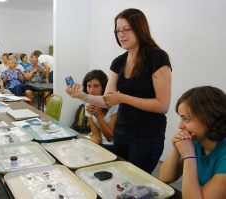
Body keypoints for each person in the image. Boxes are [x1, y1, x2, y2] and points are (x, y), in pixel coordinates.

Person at [66, 8, 171, 173]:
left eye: (126, 29)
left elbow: (162, 105)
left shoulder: (157, 58)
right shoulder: (118, 62)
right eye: (118, 31)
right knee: (120, 179)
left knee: (138, 182)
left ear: (140, 28)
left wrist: (123, 98)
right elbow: (107, 100)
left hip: (146, 136)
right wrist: (82, 96)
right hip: (122, 133)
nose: (121, 35)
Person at [159, 86, 226, 199]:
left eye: (186, 119)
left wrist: (189, 156)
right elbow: (165, 178)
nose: (180, 126)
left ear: (209, 118)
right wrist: (176, 149)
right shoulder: (198, 142)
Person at [83, 70, 118, 151]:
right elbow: (96, 136)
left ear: (104, 87)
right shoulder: (88, 104)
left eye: (96, 86)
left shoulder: (115, 104)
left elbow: (110, 138)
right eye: (89, 86)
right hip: (101, 145)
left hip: (115, 146)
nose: (91, 90)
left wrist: (98, 115)